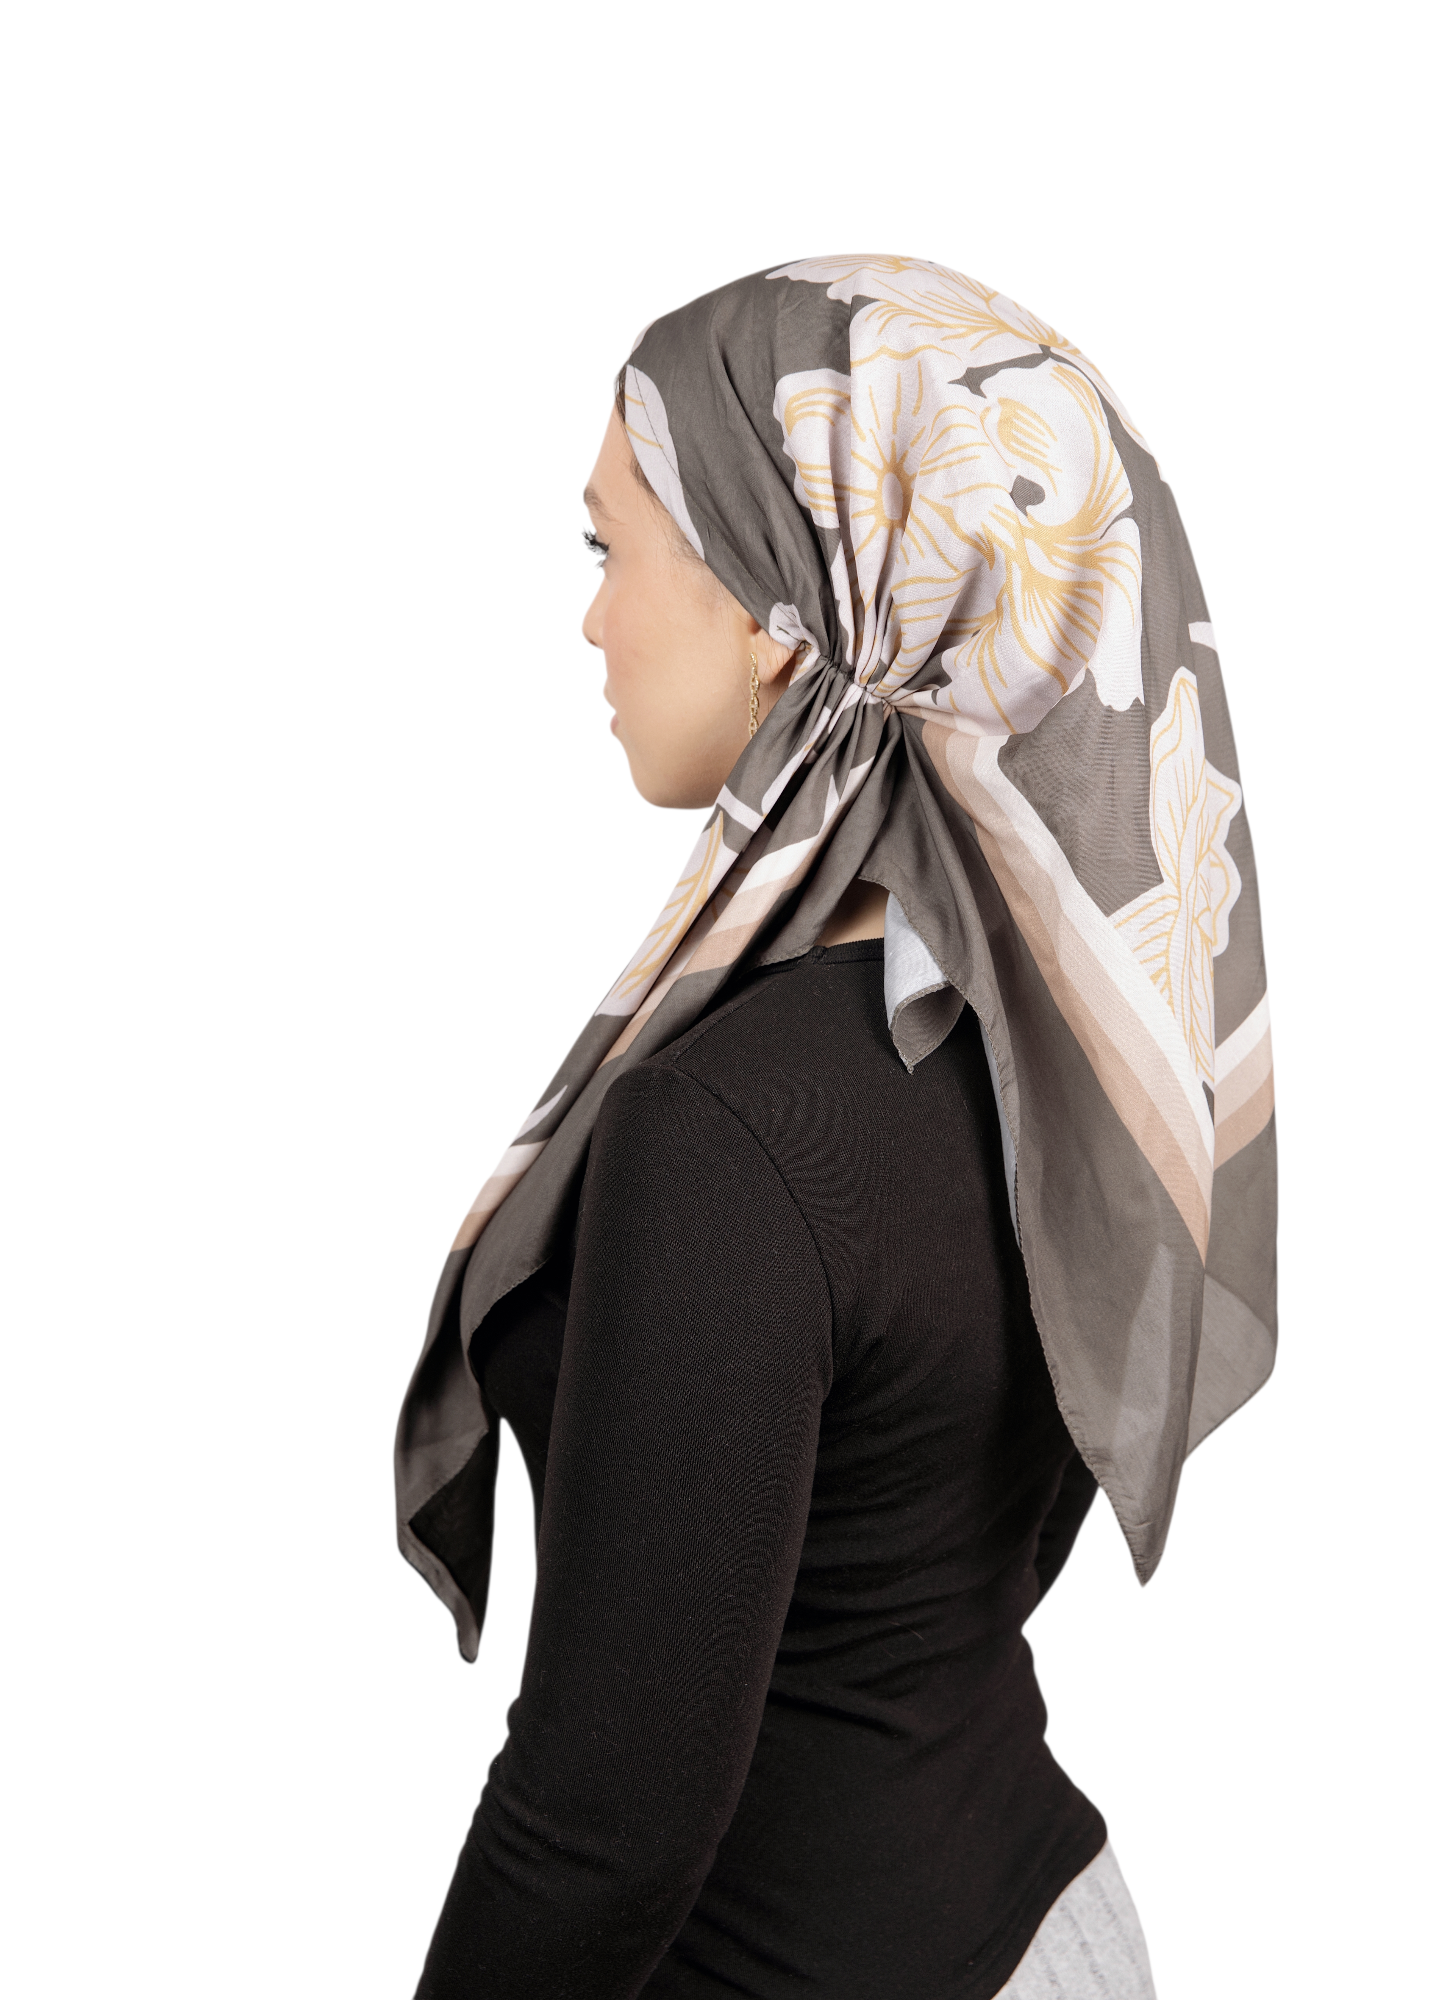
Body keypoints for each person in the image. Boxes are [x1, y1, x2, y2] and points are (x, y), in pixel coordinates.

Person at [395, 256, 1277, 2000]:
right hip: (1043, 1926)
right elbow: (969, 1542)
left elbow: (601, 1821)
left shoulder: (727, 1127)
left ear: (784, 606)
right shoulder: (1052, 1036)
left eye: (608, 548)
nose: (592, 621)